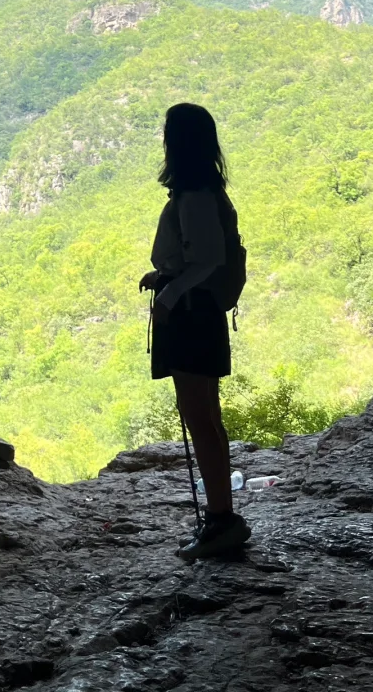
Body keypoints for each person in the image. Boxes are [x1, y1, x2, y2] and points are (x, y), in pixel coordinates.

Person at [139, 102, 250, 559]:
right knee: (207, 416)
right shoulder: (202, 191)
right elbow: (198, 256)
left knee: (199, 417)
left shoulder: (195, 195)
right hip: (200, 309)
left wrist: (167, 296)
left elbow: (208, 260)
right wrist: (162, 276)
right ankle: (222, 515)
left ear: (178, 141)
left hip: (190, 314)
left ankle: (220, 521)